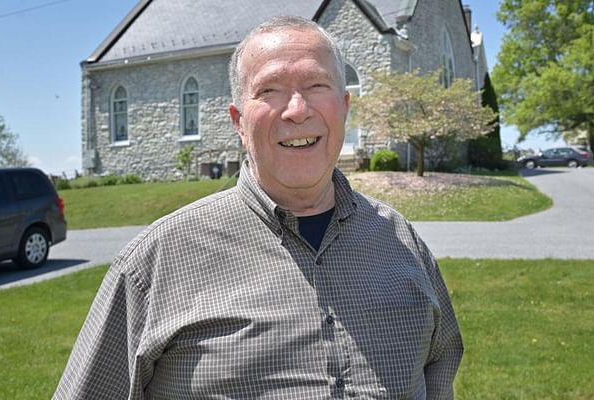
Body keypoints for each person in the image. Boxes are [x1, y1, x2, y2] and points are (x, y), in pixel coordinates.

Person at [54, 16, 462, 399]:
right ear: (238, 121)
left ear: (344, 107)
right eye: (269, 90)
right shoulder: (156, 262)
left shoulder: (402, 241)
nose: (298, 109)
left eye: (317, 85)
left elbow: (439, 368)